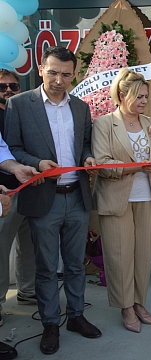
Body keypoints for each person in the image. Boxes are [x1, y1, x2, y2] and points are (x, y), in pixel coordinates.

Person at [4, 46, 102, 355]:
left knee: (74, 264)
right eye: (53, 72)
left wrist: (87, 158)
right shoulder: (20, 104)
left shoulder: (80, 107)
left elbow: (85, 143)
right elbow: (12, 148)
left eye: (65, 74)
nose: (59, 80)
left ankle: (76, 316)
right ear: (41, 68)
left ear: (74, 74)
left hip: (76, 197)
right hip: (43, 197)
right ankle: (49, 323)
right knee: (46, 267)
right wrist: (37, 163)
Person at [92, 68, 151, 332]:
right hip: (116, 200)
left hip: (147, 198)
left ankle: (139, 303)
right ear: (122, 95)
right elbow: (102, 164)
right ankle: (125, 307)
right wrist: (137, 167)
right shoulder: (104, 124)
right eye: (138, 97)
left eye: (146, 96)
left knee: (143, 256)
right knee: (120, 257)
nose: (144, 102)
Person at [0, 69, 38, 328]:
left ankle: (27, 290)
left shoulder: (21, 112)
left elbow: (6, 152)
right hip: (4, 195)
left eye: (13, 86)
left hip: (29, 188)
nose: (9, 91)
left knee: (29, 244)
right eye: (3, 87)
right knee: (1, 249)